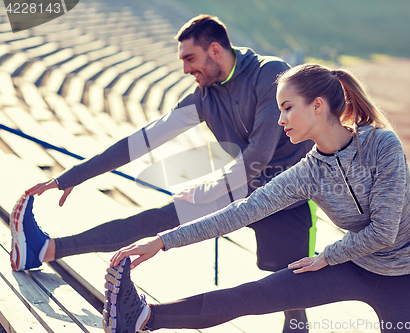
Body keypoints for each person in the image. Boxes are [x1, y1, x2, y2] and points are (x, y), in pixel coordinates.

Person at [16, 15, 315, 332]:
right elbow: (143, 140)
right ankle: (43, 249)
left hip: (287, 196)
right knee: (153, 220)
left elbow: (258, 155)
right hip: (238, 188)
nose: (185, 69)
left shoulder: (270, 74)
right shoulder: (205, 96)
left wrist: (205, 192)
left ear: (215, 50)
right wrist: (72, 176)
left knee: (290, 293)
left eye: (190, 58)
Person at [103, 63, 410, 333]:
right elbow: (242, 211)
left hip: (406, 278)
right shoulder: (308, 173)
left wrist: (328, 256)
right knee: (253, 296)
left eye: (288, 108)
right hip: (353, 265)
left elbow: (385, 231)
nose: (280, 120)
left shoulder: (382, 145)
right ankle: (144, 317)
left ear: (317, 105)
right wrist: (162, 241)